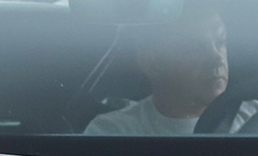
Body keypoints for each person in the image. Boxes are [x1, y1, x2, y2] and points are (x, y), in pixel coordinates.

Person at [85, 9, 244, 135]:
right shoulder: (113, 132)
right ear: (150, 61)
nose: (216, 58)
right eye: (194, 48)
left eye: (221, 42)